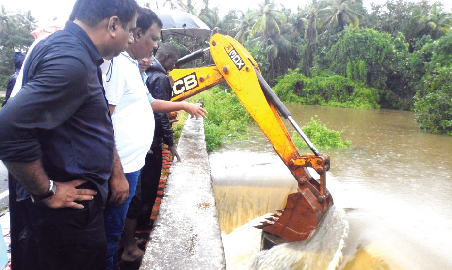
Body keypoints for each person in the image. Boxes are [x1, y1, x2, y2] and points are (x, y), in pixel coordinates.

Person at [0, 0, 140, 268]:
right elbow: (8, 128)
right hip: (69, 216)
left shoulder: (70, 49)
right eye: (130, 30)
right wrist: (48, 191)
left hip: (71, 212)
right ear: (112, 24)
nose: (130, 39)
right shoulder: (72, 62)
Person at [102, 8, 207, 270]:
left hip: (132, 164)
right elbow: (104, 121)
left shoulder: (133, 68)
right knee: (109, 233)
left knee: (119, 223)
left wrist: (182, 106)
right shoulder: (117, 67)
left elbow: (149, 102)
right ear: (135, 34)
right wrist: (116, 174)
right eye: (153, 38)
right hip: (121, 167)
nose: (156, 45)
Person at [119, 43, 180, 267]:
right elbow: (158, 113)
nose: (146, 59)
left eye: (150, 55)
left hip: (140, 147)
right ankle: (135, 237)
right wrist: (169, 141)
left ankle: (127, 239)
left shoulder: (143, 77)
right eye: (173, 61)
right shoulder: (158, 78)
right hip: (141, 149)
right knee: (140, 194)